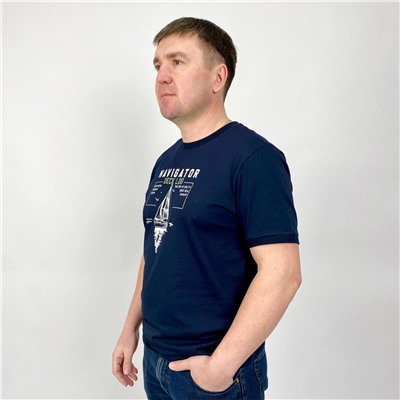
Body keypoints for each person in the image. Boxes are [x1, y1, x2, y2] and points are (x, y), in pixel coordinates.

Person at [112, 17, 302, 400]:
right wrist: (130, 329)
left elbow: (282, 275)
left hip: (214, 374)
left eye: (177, 62)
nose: (162, 76)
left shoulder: (254, 159)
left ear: (218, 77)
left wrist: (219, 369)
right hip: (156, 363)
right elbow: (156, 250)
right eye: (158, 65)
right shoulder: (166, 162)